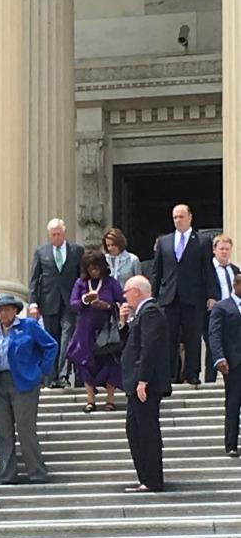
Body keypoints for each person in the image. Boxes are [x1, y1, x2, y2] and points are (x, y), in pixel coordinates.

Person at [0, 294, 57, 485]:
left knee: (25, 428)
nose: (3, 313)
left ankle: (37, 472)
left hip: (24, 382)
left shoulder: (29, 326)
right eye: (0, 310)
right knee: (4, 432)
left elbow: (51, 345)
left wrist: (42, 371)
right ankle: (7, 474)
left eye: (7, 309)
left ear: (15, 310)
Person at [151, 203, 217, 386]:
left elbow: (208, 270)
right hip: (169, 297)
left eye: (181, 217)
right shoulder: (164, 242)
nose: (177, 221)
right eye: (175, 217)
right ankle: (170, 374)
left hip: (193, 296)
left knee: (192, 336)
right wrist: (153, 296)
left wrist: (212, 295)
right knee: (169, 337)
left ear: (190, 218)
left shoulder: (202, 241)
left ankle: (192, 373)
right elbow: (157, 271)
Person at [120, 275, 171, 493]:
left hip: (145, 384)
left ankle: (152, 479)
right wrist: (124, 323)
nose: (124, 296)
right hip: (136, 382)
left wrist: (143, 379)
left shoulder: (150, 312)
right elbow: (132, 345)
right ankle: (145, 477)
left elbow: (149, 348)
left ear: (137, 291)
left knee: (146, 430)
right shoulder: (140, 314)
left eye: (126, 291)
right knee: (134, 429)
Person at [28, 218, 84, 387]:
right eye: (53, 235)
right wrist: (33, 303)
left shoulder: (76, 250)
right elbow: (34, 279)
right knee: (52, 339)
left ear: (64, 233)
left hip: (70, 301)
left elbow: (81, 276)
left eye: (58, 234)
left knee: (67, 335)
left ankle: (64, 374)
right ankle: (51, 377)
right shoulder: (41, 252)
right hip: (48, 300)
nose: (56, 237)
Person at [66, 251, 125, 413]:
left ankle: (110, 399)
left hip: (107, 329)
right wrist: (86, 300)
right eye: (91, 268)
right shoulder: (81, 283)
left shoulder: (111, 283)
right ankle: (90, 399)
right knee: (85, 363)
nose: (94, 272)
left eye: (97, 268)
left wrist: (107, 305)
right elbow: (73, 304)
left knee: (110, 361)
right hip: (86, 330)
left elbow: (122, 301)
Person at [208, 273, 241, 457]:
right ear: (236, 285)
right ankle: (231, 444)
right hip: (234, 362)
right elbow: (214, 334)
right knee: (233, 403)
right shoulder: (222, 307)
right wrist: (219, 358)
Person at [204, 234, 240, 382]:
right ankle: (210, 380)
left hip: (233, 314)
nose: (224, 252)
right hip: (214, 312)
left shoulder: (236, 270)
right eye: (221, 249)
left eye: (227, 249)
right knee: (213, 345)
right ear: (214, 250)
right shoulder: (207, 269)